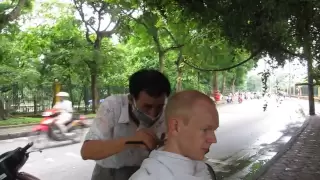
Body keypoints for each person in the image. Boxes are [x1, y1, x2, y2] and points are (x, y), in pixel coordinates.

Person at [81, 69, 171, 180]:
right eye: (147, 106)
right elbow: (87, 151)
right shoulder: (112, 106)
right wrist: (133, 141)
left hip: (148, 172)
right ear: (131, 99)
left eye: (159, 107)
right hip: (108, 173)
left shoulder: (169, 111)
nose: (153, 114)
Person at [129, 90, 219, 180]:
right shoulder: (146, 177)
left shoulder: (205, 171)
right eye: (205, 129)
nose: (213, 140)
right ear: (175, 126)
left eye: (213, 130)